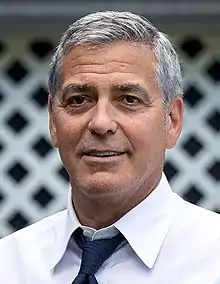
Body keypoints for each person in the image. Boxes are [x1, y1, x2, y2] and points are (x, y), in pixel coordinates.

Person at [0, 10, 220, 284]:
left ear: (172, 121)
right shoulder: (9, 265)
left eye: (129, 99)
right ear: (53, 122)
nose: (101, 123)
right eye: (79, 100)